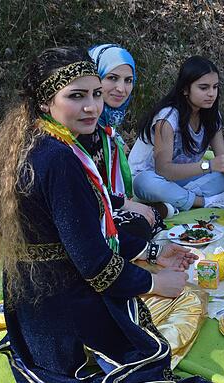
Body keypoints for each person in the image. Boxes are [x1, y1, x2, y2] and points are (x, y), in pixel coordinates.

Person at [0, 47, 224, 383]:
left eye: (95, 94)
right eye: (76, 96)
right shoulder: (58, 159)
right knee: (145, 350)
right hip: (58, 307)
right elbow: (95, 265)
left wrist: (154, 250)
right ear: (45, 101)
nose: (92, 107)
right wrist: (156, 281)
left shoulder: (46, 141)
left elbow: (96, 226)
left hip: (32, 297)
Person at [130, 56, 224, 211]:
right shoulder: (167, 118)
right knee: (145, 182)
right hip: (154, 178)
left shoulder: (211, 116)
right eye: (203, 88)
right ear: (185, 89)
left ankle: (179, 199)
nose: (211, 93)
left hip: (185, 179)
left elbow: (223, 155)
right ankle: (205, 202)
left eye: (215, 87)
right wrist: (209, 165)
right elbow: (163, 169)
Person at [84, 43, 165, 241]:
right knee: (138, 225)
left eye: (128, 80)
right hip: (84, 211)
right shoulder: (82, 124)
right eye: (112, 78)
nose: (121, 89)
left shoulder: (108, 125)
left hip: (107, 203)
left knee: (148, 218)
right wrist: (124, 205)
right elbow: (83, 191)